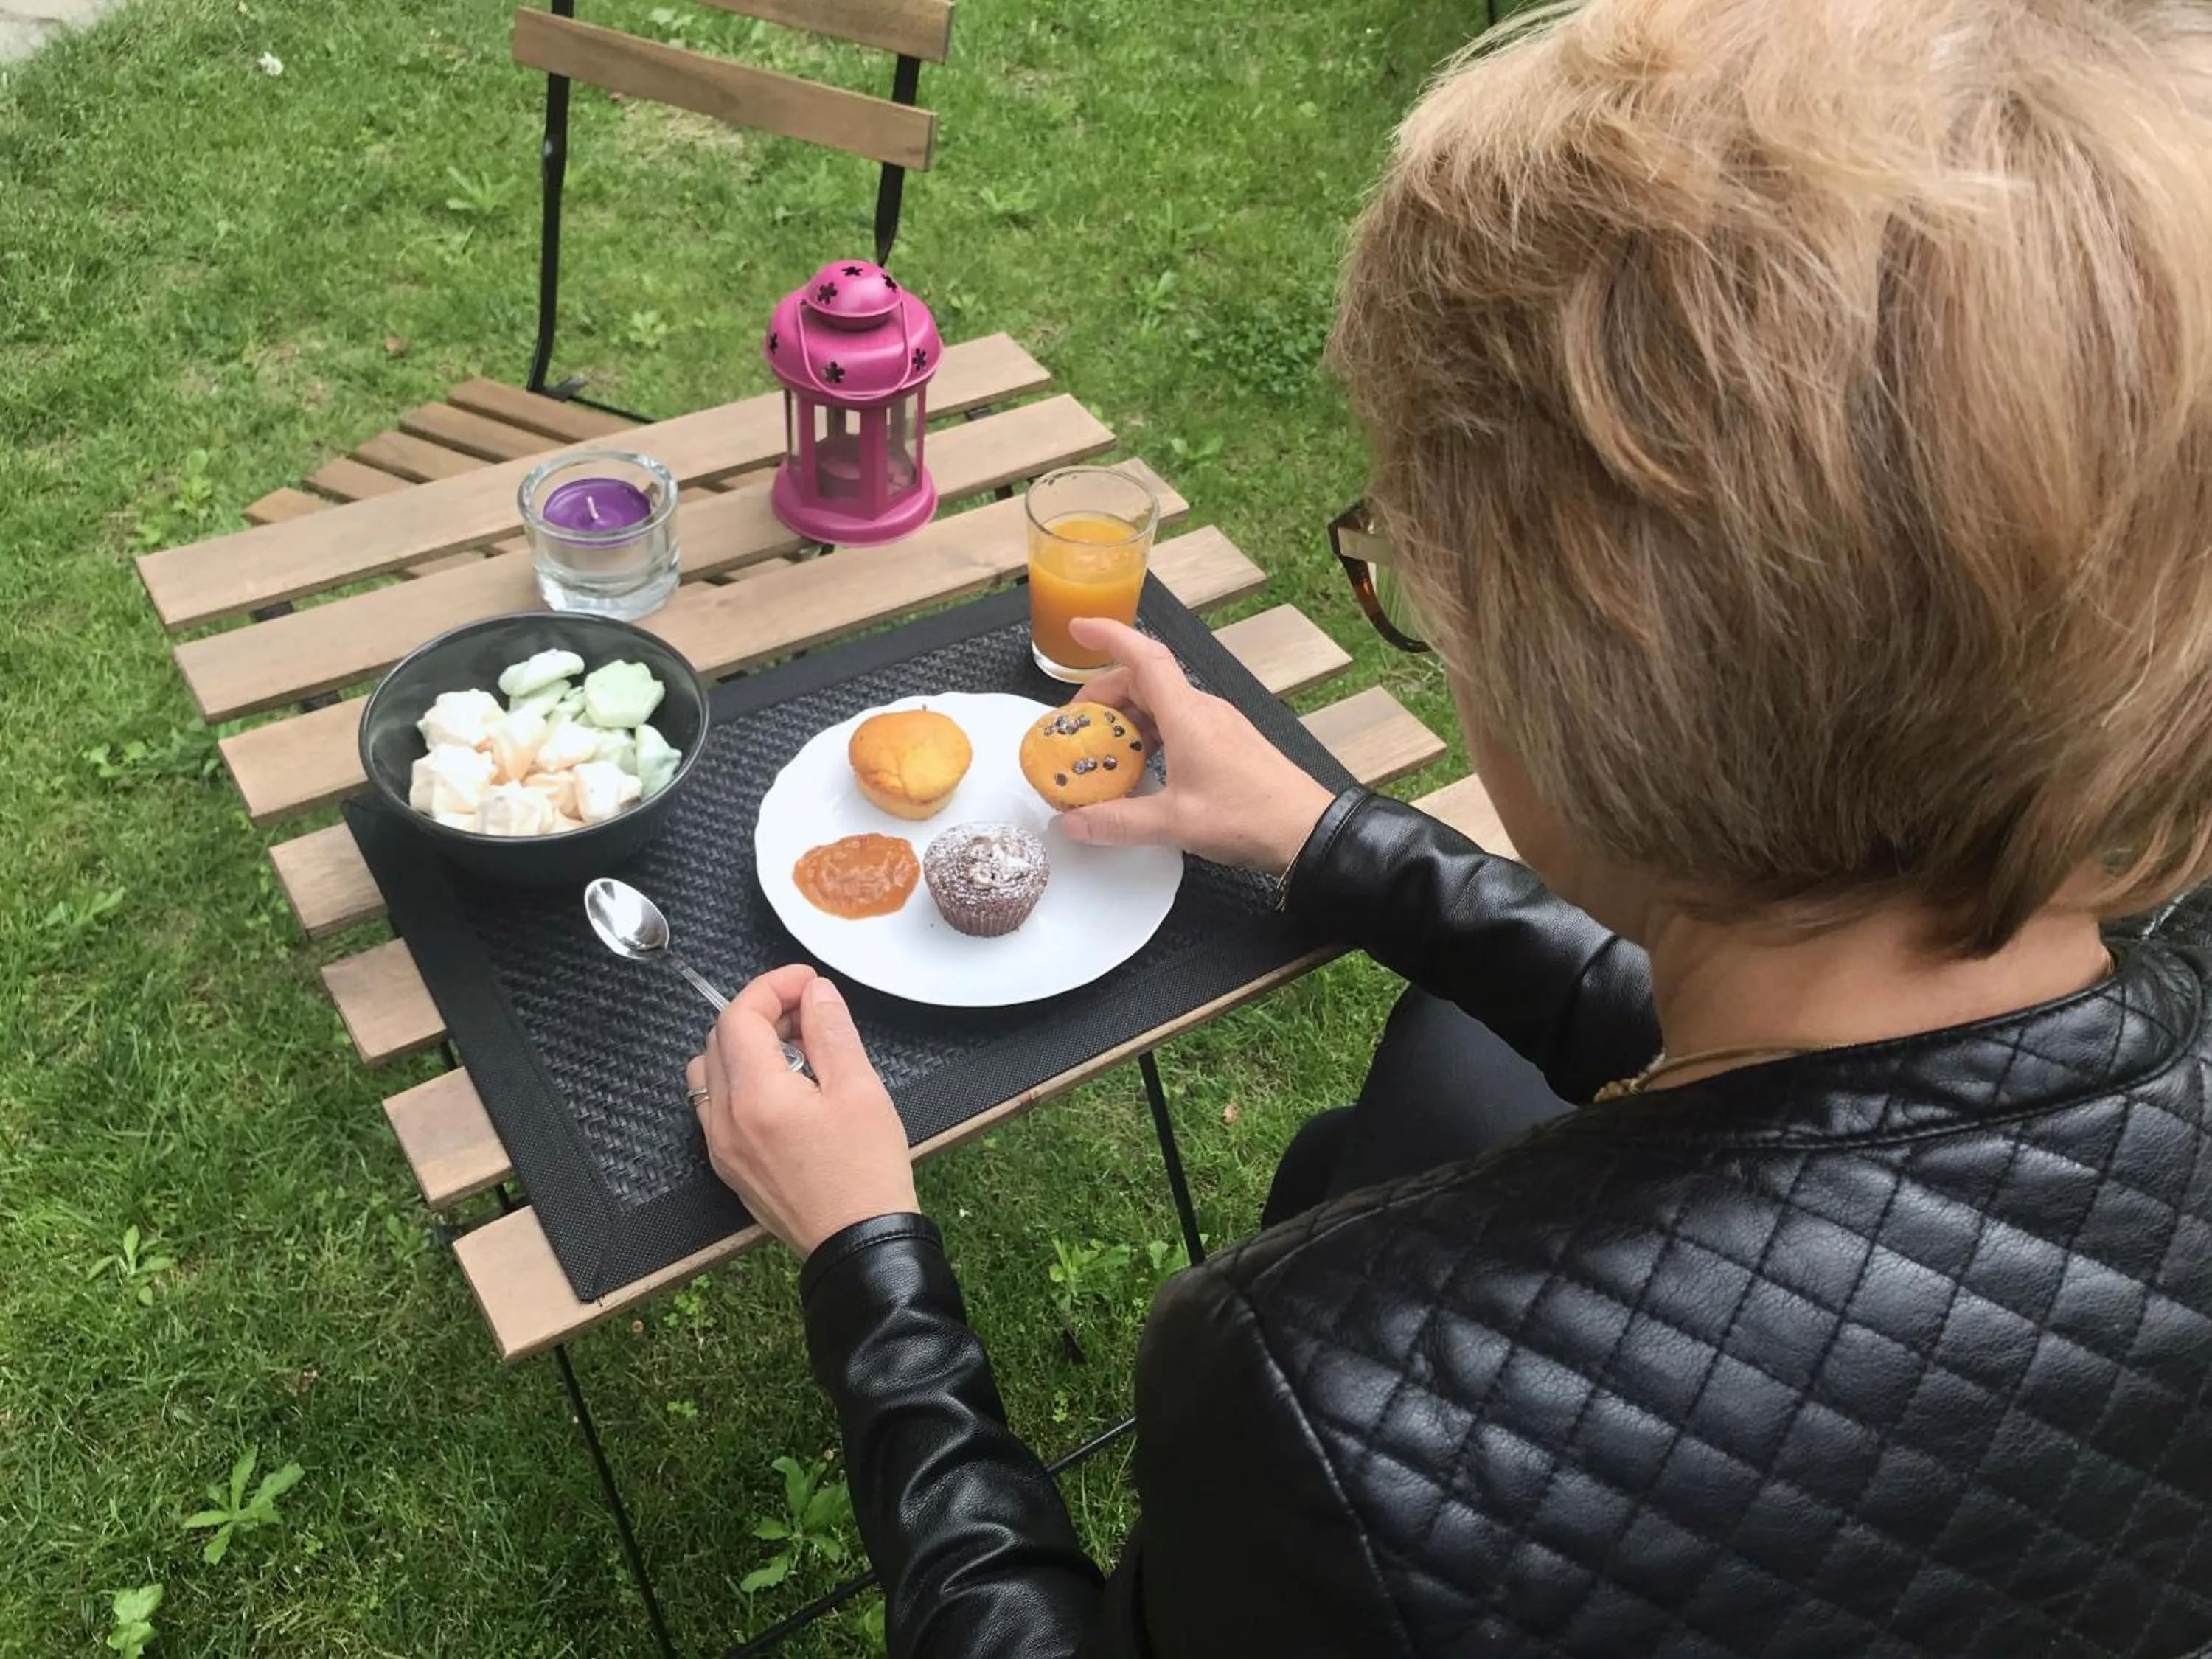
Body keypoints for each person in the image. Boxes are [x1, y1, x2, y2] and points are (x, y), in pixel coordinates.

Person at [688, 0, 2212, 1650]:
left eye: (1425, 586)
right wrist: (1325, 835)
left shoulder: (1346, 1407)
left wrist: (868, 1259)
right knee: (1434, 1067)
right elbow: (1838, 1078)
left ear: (1578, 697)